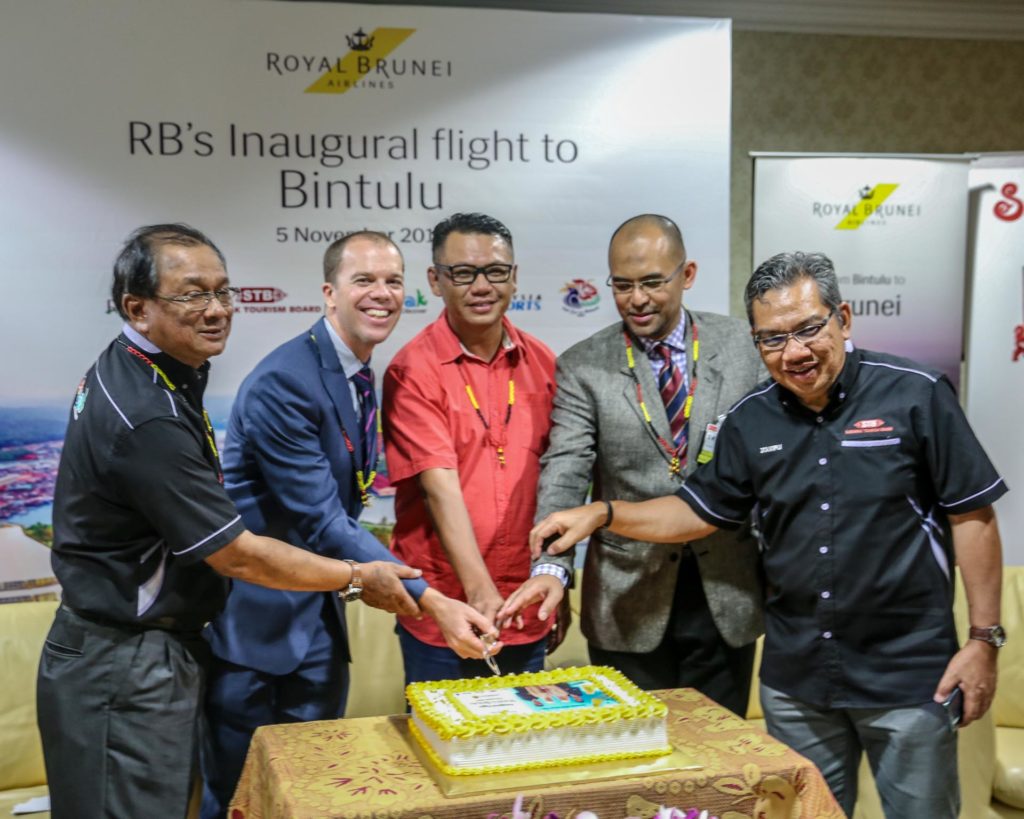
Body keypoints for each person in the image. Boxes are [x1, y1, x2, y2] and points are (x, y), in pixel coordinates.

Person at [521, 251, 1007, 819]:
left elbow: (972, 517)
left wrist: (982, 640)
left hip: (909, 679)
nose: (794, 353)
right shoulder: (751, 419)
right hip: (798, 685)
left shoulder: (916, 393)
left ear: (843, 320)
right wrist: (604, 513)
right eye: (772, 339)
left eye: (808, 329)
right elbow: (697, 511)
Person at [37, 224, 430, 819]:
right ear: (136, 308)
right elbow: (238, 555)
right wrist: (359, 577)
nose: (217, 310)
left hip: (146, 649)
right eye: (192, 295)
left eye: (223, 292)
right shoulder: (150, 416)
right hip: (124, 659)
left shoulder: (150, 371)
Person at [200, 231, 498, 818]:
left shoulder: (357, 373)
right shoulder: (287, 379)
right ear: (329, 293)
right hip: (253, 633)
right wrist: (432, 599)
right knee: (241, 800)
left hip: (318, 622)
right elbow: (321, 519)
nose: (381, 294)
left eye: (392, 281)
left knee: (313, 796)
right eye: (364, 280)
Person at [497, 214, 764, 716]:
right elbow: (566, 469)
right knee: (634, 759)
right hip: (626, 598)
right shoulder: (584, 365)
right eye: (622, 285)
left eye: (651, 283)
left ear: (686, 275)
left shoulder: (742, 347)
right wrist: (553, 566)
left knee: (722, 757)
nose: (636, 299)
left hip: (726, 593)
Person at [383, 212, 557, 684]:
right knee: (443, 752)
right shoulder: (412, 370)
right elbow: (439, 488)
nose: (482, 286)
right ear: (436, 281)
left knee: (526, 751)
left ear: (514, 277)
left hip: (525, 609)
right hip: (448, 614)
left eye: (496, 271)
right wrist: (481, 594)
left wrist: (558, 578)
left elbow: (559, 484)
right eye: (463, 273)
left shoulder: (543, 363)